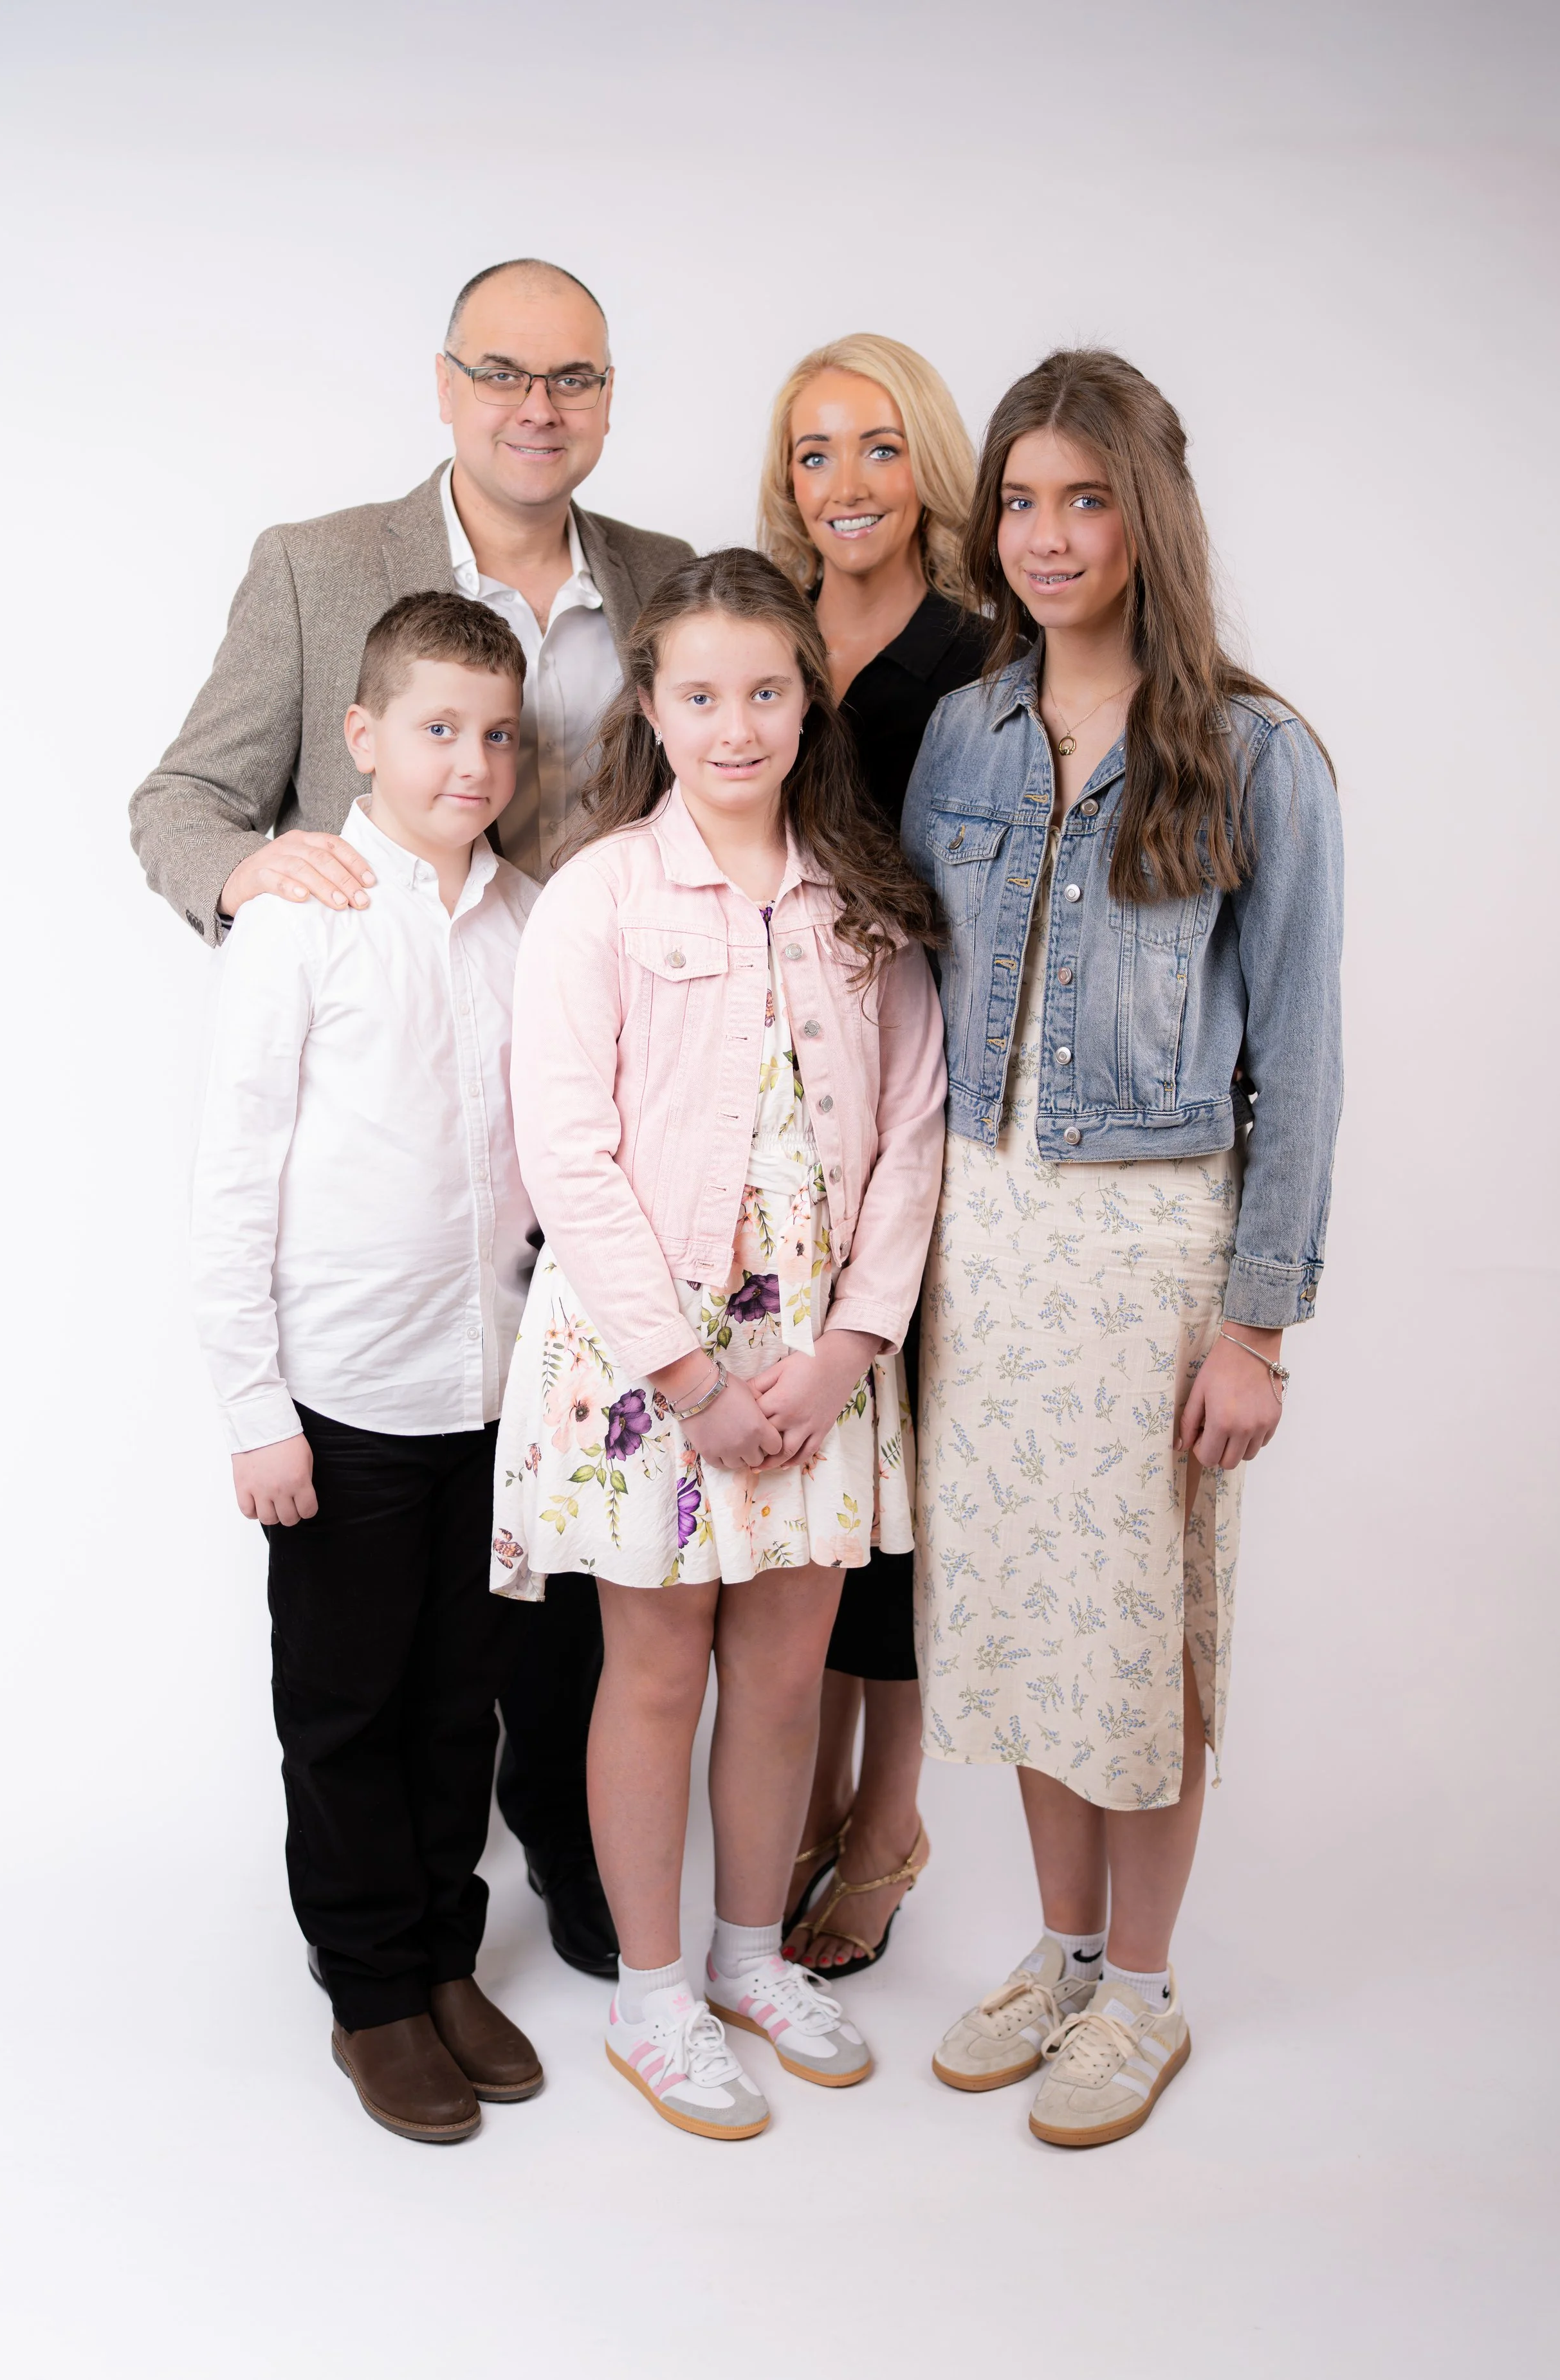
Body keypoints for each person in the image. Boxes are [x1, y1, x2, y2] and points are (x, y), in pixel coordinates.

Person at [133, 259, 696, 1979]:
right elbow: (180, 797)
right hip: (375, 1135)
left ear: (608, 397)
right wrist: (255, 872)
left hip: (585, 1151)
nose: (541, 407)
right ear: (446, 386)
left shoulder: (668, 584)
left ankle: (577, 1872)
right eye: (506, 373)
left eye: (577, 377)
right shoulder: (318, 573)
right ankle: (388, 1953)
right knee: (383, 1639)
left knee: (556, 1589)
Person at [904, 349, 1342, 2147]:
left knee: (1140, 1629)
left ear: (1147, 514)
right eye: (1019, 498)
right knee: (1019, 1619)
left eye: (1084, 497)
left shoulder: (1255, 754)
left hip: (1149, 1250)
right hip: (980, 1241)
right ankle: (1064, 1947)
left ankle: (1142, 1990)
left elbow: (1298, 1058)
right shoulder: (964, 734)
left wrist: (1256, 1326)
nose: (1045, 533)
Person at [491, 550, 947, 2139]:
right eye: (700, 694)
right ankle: (656, 1990)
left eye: (765, 691)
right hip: (648, 1364)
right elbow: (567, 1146)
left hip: (814, 1363)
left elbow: (908, 1136)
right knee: (657, 1664)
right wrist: (684, 1374)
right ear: (651, 705)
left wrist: (843, 1352)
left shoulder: (864, 898)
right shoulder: (600, 896)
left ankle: (755, 1956)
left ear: (806, 699)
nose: (734, 724)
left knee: (781, 1668)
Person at [190, 591, 547, 2142]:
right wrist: (254, 1408)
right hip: (343, 1401)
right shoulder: (300, 914)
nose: (470, 762)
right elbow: (234, 1173)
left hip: (492, 1389)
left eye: (495, 734)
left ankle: (443, 1952)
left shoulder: (531, 916)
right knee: (343, 1703)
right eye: (437, 729)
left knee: (458, 1700)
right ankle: (369, 1990)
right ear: (363, 737)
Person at [757, 334, 987, 1975]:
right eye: (814, 450)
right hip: (781, 1131)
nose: (844, 482)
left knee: (898, 1498)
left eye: (878, 446)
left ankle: (885, 1822)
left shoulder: (980, 659)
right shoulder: (758, 642)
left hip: (931, 1116)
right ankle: (815, 1792)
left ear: (930, 471)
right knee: (818, 1486)